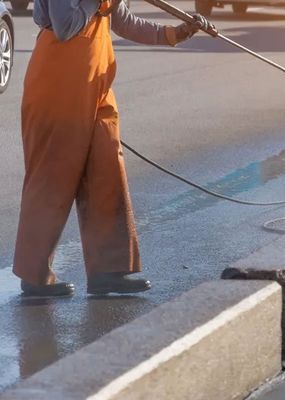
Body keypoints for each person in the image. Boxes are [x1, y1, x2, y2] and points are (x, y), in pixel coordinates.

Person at [13, 0, 213, 297]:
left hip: (95, 86)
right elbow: (66, 26)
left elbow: (125, 23)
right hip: (57, 86)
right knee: (51, 178)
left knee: (106, 171)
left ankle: (108, 271)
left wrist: (177, 33)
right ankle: (34, 276)